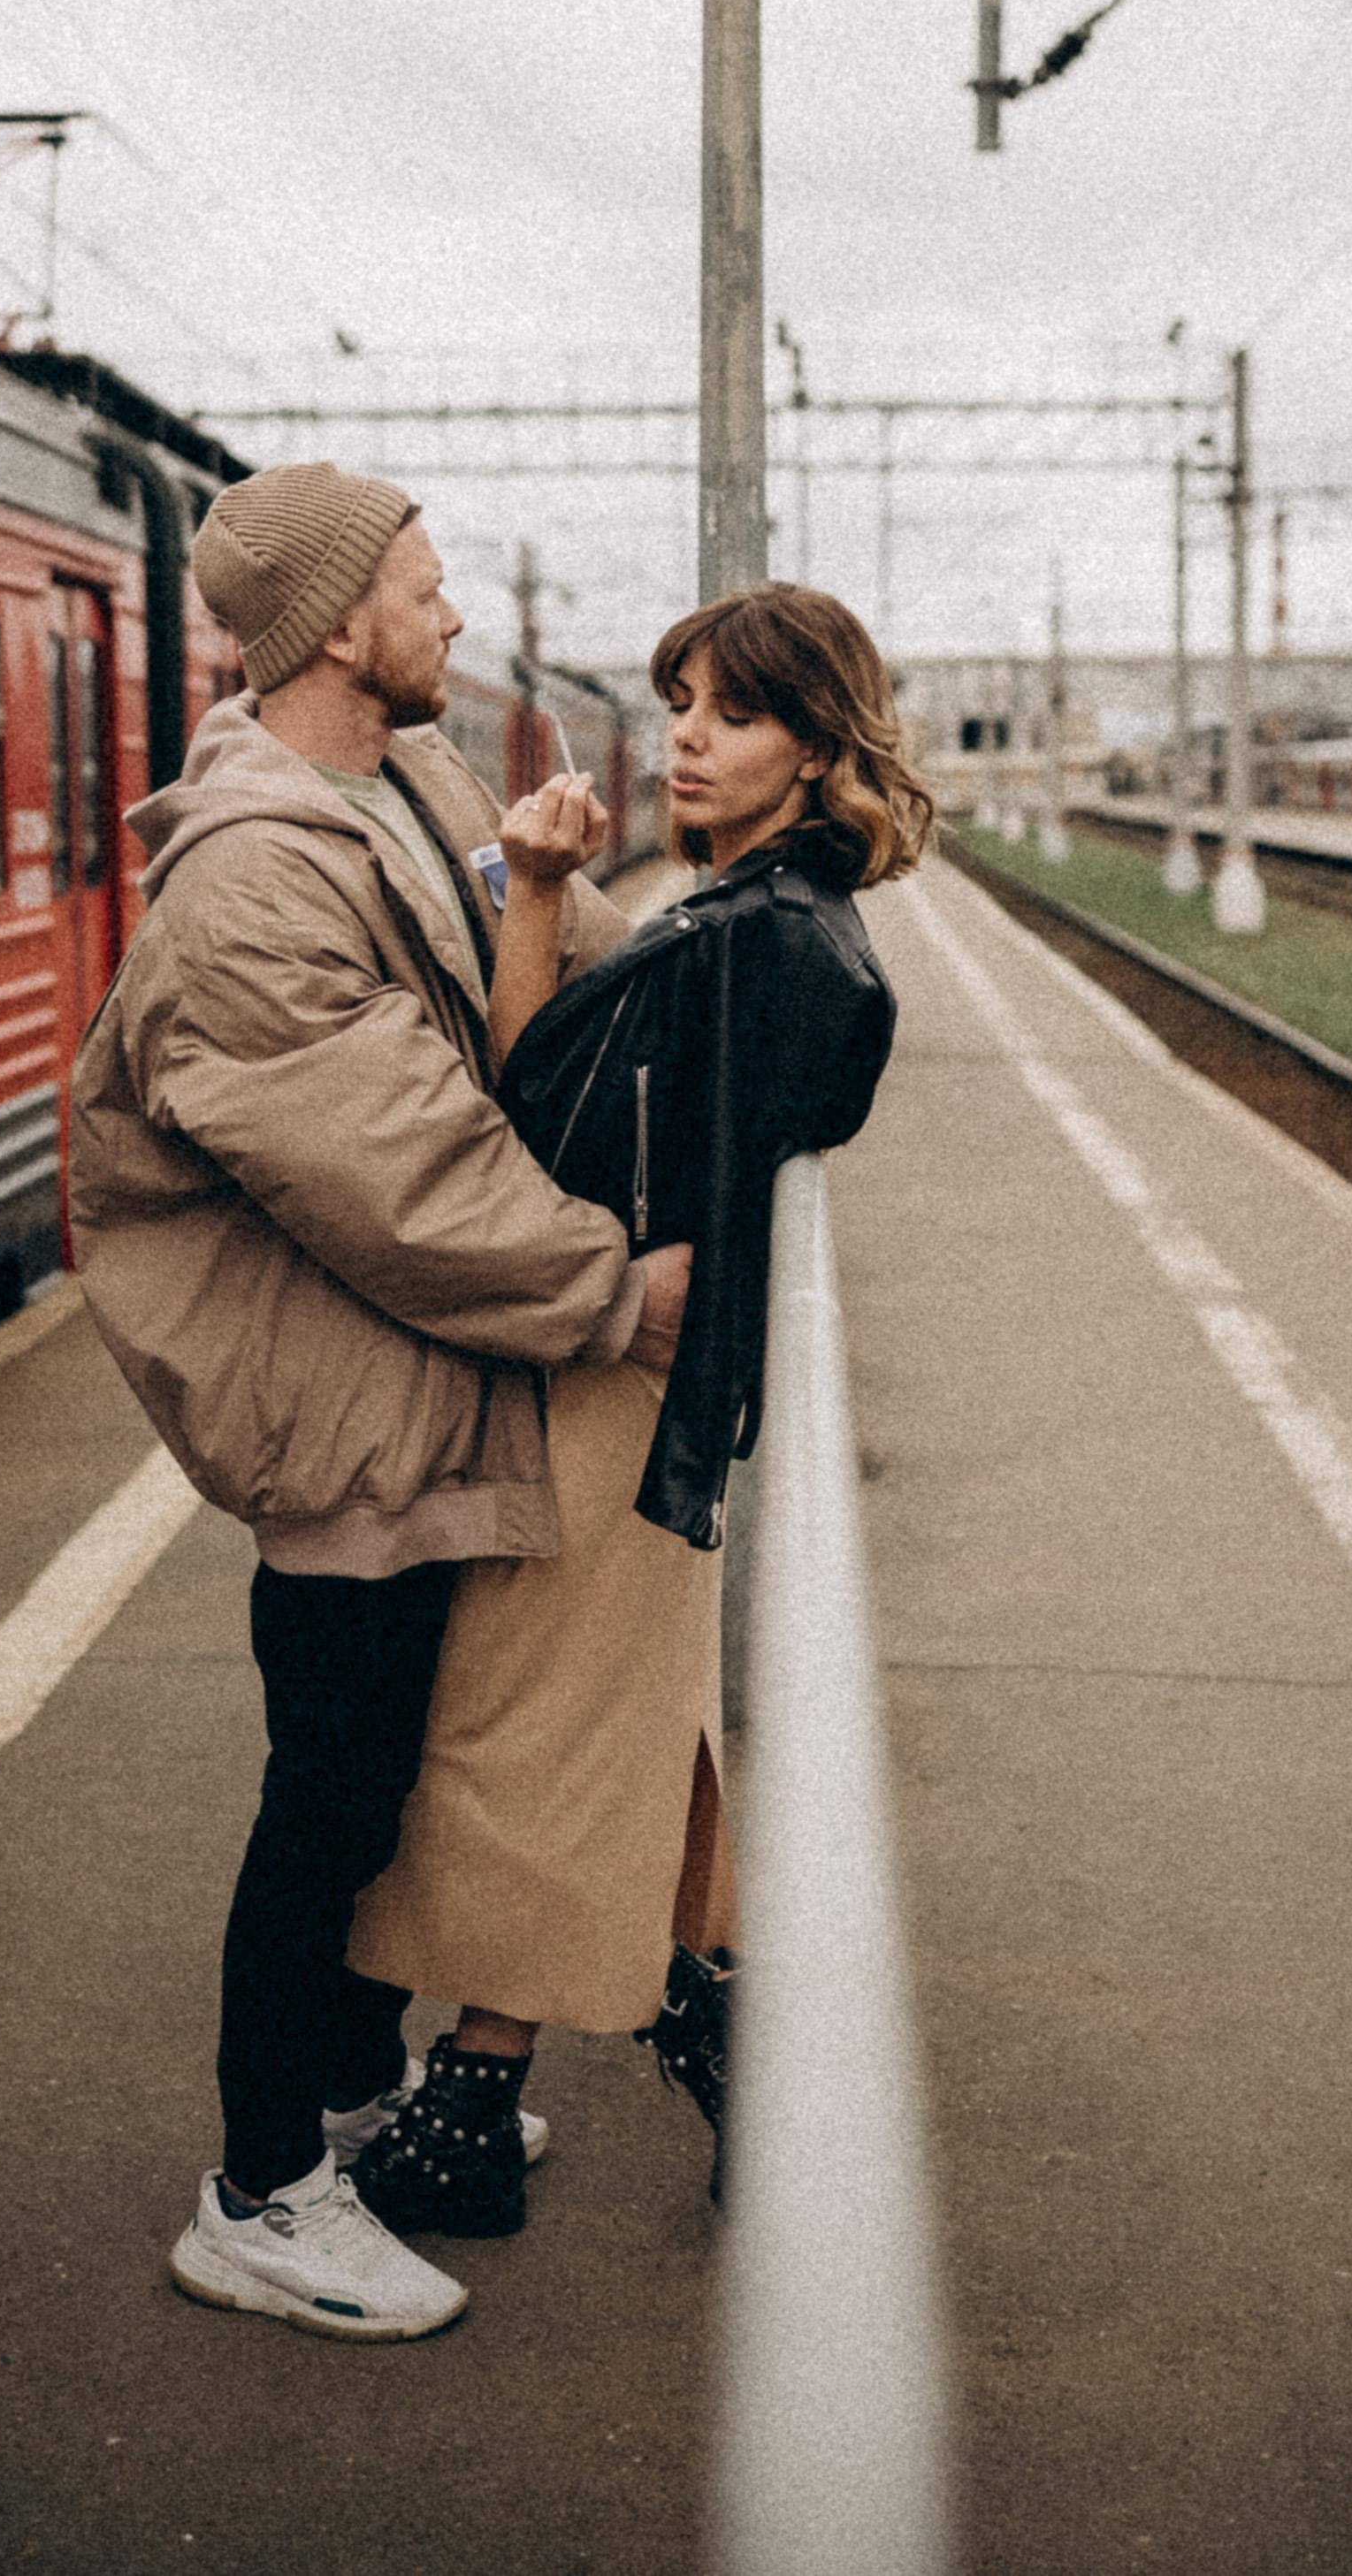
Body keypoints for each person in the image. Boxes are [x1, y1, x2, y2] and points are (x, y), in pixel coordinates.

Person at [66, 460, 691, 2344]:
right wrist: (608, 1292)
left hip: (420, 1380)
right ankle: (259, 2192)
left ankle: (343, 2100)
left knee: (392, 1781)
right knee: (325, 1800)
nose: (452, 617)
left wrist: (555, 891)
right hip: (338, 1405)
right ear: (340, 625)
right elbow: (397, 1170)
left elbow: (502, 1053)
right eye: (425, 587)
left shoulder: (410, 789)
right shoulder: (255, 875)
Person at [346, 581, 932, 2231]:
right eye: (679, 700)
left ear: (818, 753)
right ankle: (743, 2049)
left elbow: (535, 1138)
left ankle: (470, 2102)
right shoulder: (747, 917)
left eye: (731, 712)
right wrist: (540, 883)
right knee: (628, 1726)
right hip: (639, 1392)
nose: (684, 734)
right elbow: (577, 1108)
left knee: (526, 1730)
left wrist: (528, 895)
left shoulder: (766, 946)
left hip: (619, 1401)